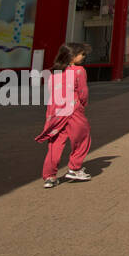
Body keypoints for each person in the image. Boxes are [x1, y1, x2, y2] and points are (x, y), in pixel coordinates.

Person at [36, 42, 92, 188]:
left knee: (55, 143)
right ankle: (75, 168)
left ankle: (49, 176)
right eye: (81, 54)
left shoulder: (54, 73)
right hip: (73, 109)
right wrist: (82, 105)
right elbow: (83, 92)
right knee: (82, 138)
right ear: (72, 56)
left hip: (55, 112)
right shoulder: (79, 71)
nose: (83, 57)